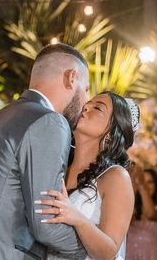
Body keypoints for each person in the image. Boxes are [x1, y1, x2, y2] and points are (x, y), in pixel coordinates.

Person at [0, 43, 90, 260]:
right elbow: (45, 224)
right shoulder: (50, 122)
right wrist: (93, 248)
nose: (86, 102)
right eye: (86, 89)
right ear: (71, 77)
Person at [37, 91, 139, 260]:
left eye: (97, 108)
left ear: (112, 130)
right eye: (87, 104)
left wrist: (78, 218)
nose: (85, 108)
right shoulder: (59, 166)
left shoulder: (115, 177)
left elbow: (109, 251)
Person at [125, 166, 157, 260]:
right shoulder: (133, 206)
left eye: (150, 182)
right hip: (129, 253)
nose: (146, 185)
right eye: (143, 181)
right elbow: (124, 223)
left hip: (151, 255)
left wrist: (142, 185)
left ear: (156, 185)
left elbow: (151, 214)